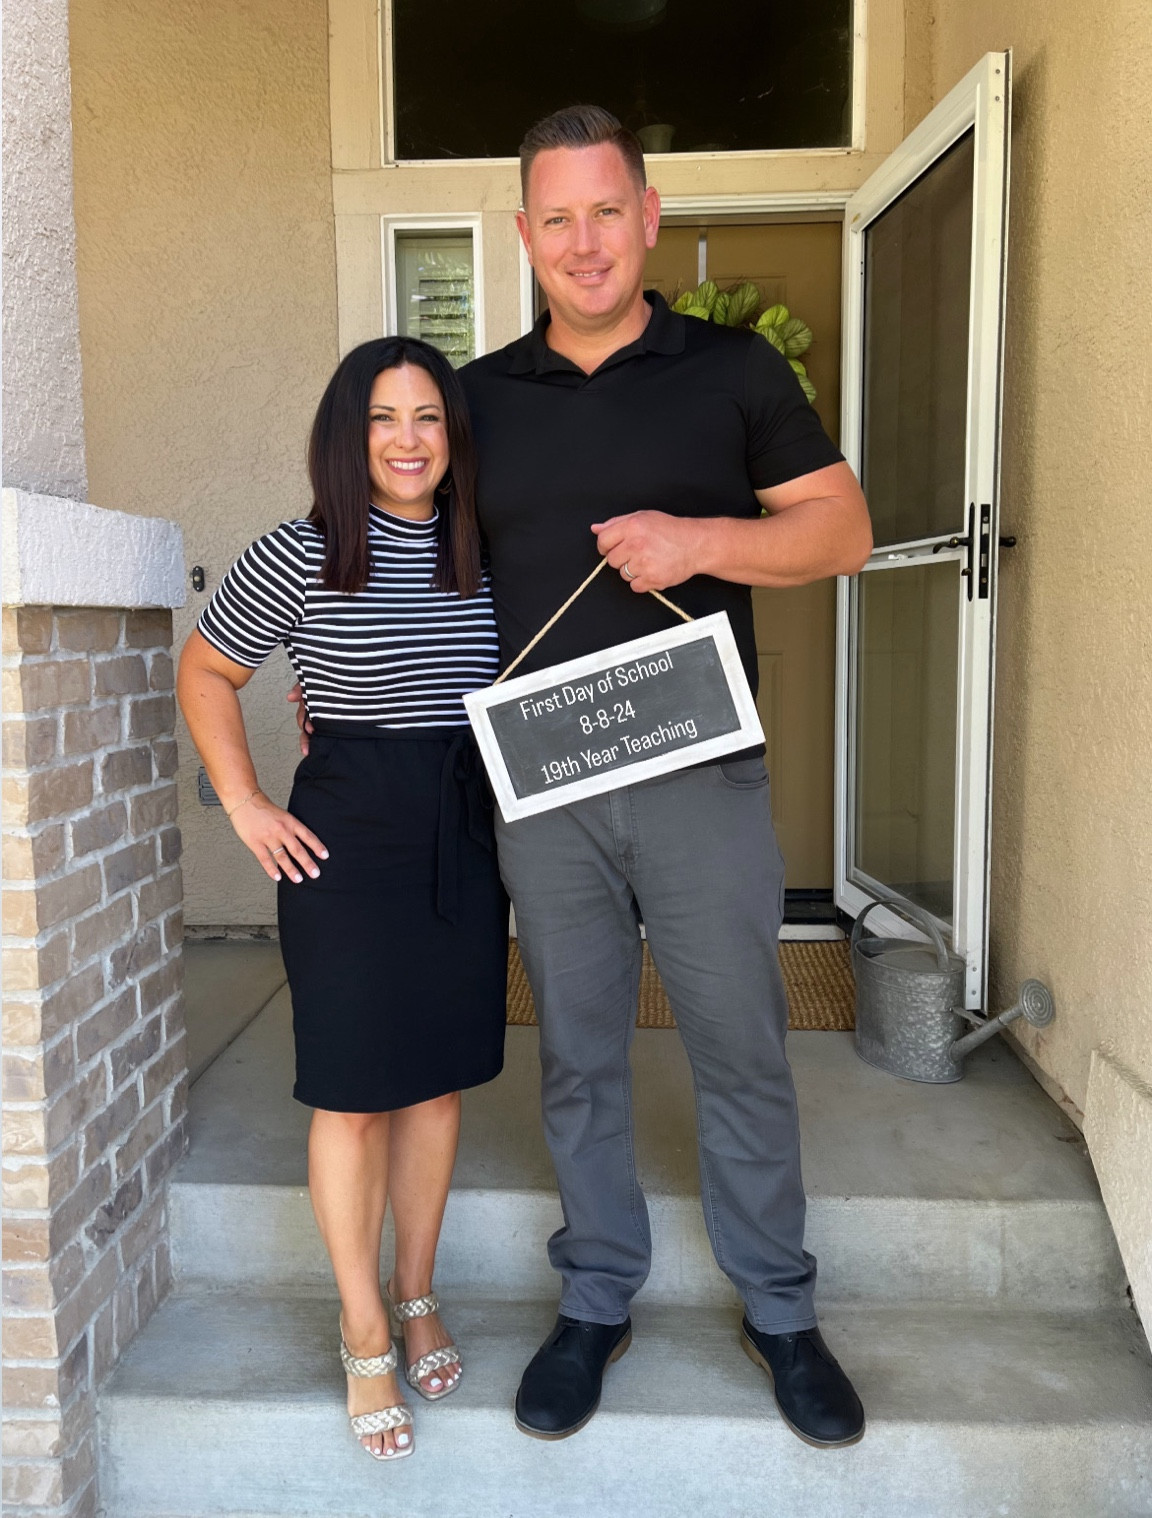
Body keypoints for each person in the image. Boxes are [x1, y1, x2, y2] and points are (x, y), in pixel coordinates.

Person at [460, 105, 874, 1449]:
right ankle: (596, 1298)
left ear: (647, 216)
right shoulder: (475, 403)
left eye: (605, 210)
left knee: (740, 1044)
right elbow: (419, 568)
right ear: (526, 236)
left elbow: (843, 531)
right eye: (556, 218)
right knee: (578, 1055)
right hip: (550, 784)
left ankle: (780, 1306)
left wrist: (700, 538)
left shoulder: (731, 370)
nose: (583, 242)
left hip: (701, 773)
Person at [177, 336, 508, 1463]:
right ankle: (363, 1321)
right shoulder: (305, 549)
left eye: (427, 417)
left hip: (465, 831)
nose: (408, 440)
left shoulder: (487, 548)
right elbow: (208, 669)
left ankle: (416, 1294)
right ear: (347, 435)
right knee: (356, 1093)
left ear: (454, 435)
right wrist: (245, 802)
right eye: (382, 418)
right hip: (348, 836)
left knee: (438, 1089)